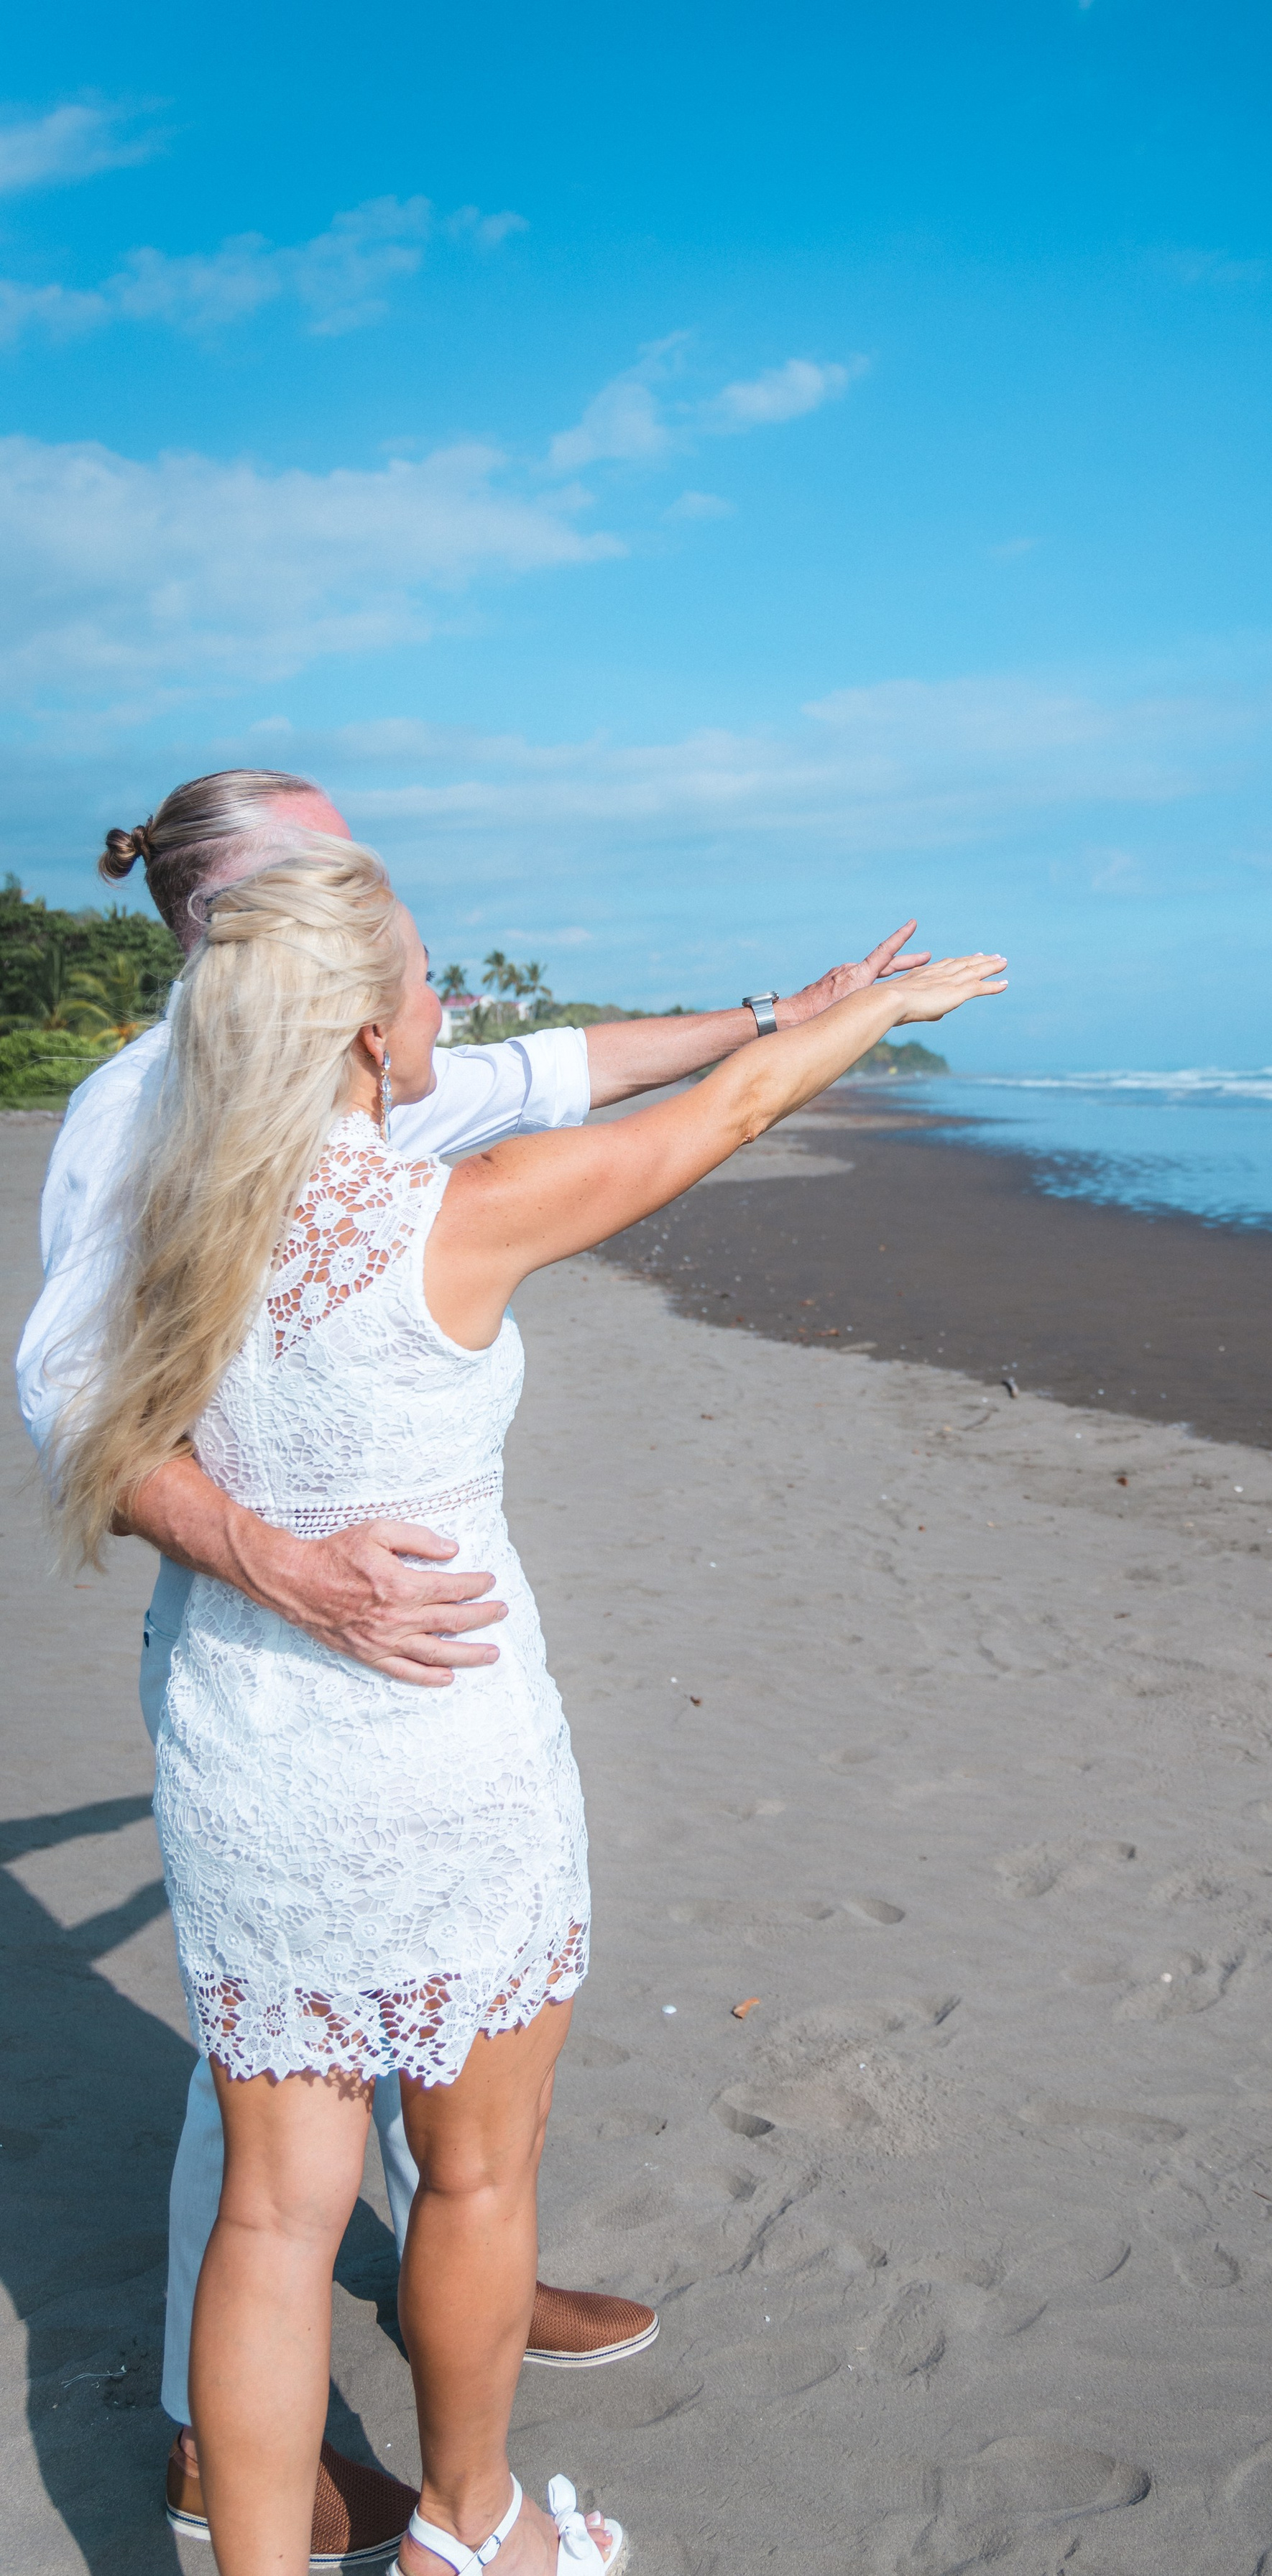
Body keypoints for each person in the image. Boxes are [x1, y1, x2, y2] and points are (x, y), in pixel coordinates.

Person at [45, 835, 1003, 2574]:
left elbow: (100, 1433)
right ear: (352, 1036)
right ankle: (468, 2531)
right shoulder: (448, 1214)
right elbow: (709, 1122)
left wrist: (804, 1011)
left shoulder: (168, 1219)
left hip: (245, 1756)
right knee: (475, 2176)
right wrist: (868, 1009)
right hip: (437, 1751)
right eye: (420, 980)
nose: (446, 1002)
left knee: (270, 2210)